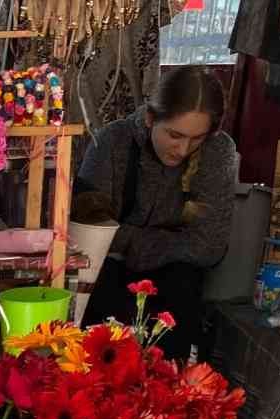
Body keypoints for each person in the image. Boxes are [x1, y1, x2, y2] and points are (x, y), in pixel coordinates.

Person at [73, 66, 238, 361]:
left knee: (182, 288)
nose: (183, 149)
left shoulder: (218, 151)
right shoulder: (112, 142)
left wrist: (133, 242)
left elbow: (211, 246)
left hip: (176, 276)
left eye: (196, 139)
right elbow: (88, 230)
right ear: (150, 119)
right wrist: (168, 240)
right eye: (175, 135)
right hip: (108, 272)